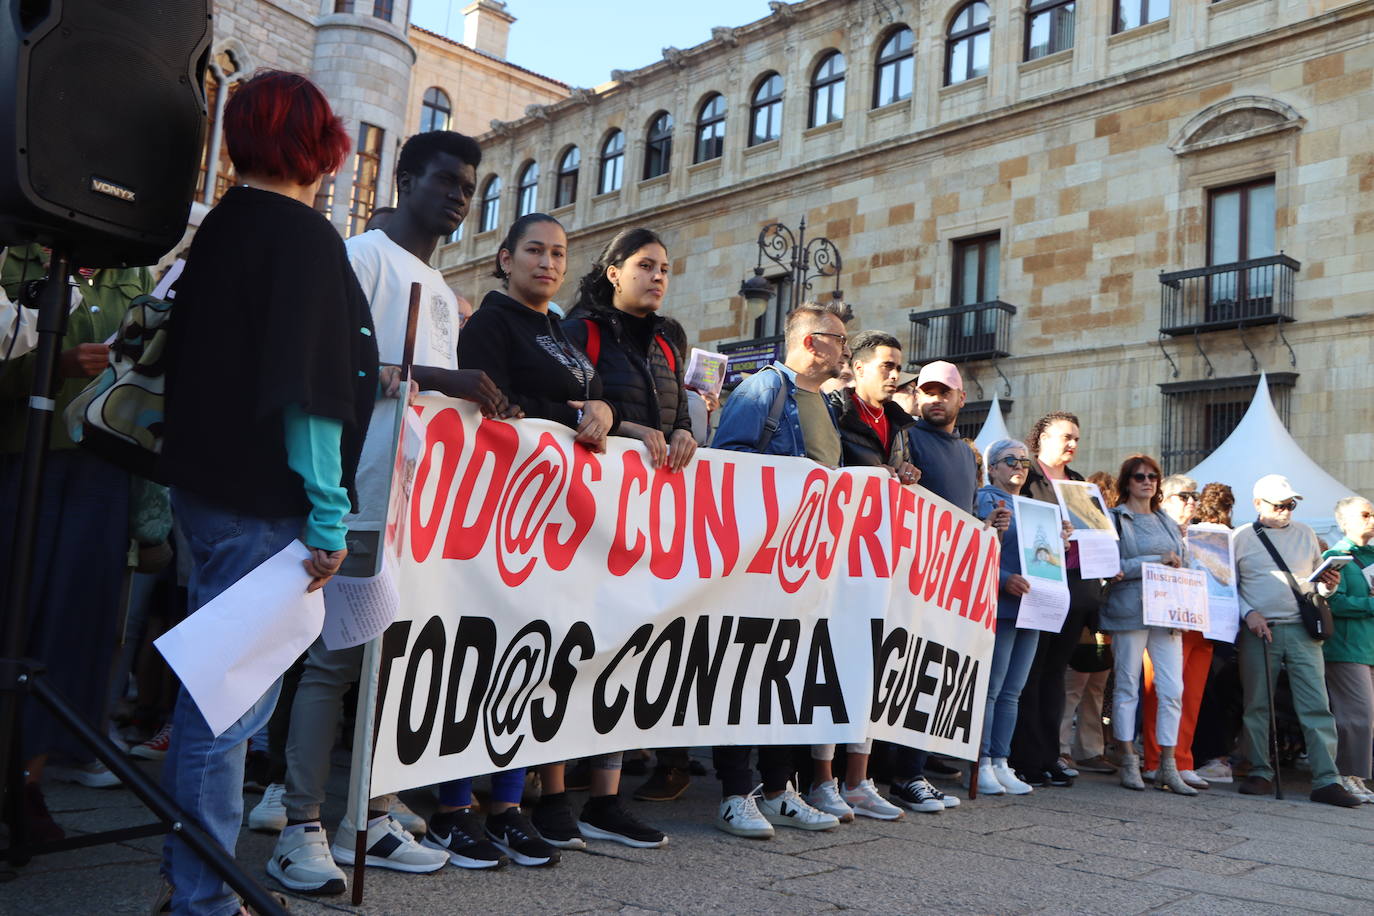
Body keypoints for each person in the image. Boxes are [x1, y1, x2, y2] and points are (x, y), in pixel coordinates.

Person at [268, 129, 537, 896]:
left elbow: (425, 393)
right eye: (447, 180)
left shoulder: (436, 281)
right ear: (405, 177)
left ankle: (371, 812)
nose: (460, 196)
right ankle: (299, 823)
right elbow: (332, 370)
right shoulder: (358, 259)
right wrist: (442, 376)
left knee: (390, 665)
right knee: (335, 662)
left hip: (414, 506)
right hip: (353, 492)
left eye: (471, 187)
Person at [157, 70, 383, 916]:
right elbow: (310, 391)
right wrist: (327, 515)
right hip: (265, 502)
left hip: (207, 490)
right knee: (227, 711)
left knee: (213, 698)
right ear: (315, 140)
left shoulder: (221, 228)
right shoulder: (301, 235)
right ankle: (205, 898)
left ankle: (191, 878)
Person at [458, 213, 647, 853]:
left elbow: (589, 398)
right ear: (504, 259)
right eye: (534, 251)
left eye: (559, 253)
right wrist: (570, 414)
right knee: (484, 658)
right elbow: (492, 409)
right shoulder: (491, 324)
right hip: (501, 516)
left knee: (534, 661)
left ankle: (510, 805)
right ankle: (458, 804)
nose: (548, 262)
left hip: (559, 522)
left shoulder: (553, 329)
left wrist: (606, 410)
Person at [544, 226, 695, 844]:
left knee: (624, 654)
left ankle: (605, 802)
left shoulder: (669, 340)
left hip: (643, 521)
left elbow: (679, 413)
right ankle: (552, 795)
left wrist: (683, 433)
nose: (659, 276)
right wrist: (629, 429)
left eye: (665, 267)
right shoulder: (581, 330)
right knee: (568, 652)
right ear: (613, 272)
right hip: (582, 518)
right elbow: (565, 409)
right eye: (645, 265)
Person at [0, 243, 153, 839]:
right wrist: (49, 366)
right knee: (14, 614)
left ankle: (27, 784)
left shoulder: (131, 268)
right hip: (18, 460)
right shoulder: (12, 257)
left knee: (73, 628)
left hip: (100, 469)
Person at [709, 299, 851, 838]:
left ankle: (778, 789)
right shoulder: (763, 390)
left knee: (786, 678)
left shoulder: (826, 404)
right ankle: (734, 793)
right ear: (812, 341)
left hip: (806, 564)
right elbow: (728, 462)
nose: (845, 348)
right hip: (759, 559)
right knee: (745, 674)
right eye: (838, 338)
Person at [809, 330, 916, 821]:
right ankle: (822, 780)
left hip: (878, 561)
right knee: (832, 667)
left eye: (898, 368)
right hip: (838, 558)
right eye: (886, 366)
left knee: (868, 672)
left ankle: (858, 779)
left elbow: (896, 472)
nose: (894, 376)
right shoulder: (836, 408)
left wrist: (905, 474)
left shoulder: (897, 423)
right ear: (860, 367)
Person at [887, 360, 984, 809]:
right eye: (927, 391)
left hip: (949, 585)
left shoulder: (966, 453)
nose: (934, 399)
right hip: (909, 579)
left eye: (944, 392)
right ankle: (900, 775)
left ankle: (913, 772)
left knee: (932, 678)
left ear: (961, 399)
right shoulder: (904, 438)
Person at [1232, 474, 1360, 807]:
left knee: (1316, 704)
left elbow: (1318, 586)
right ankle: (1259, 770)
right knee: (1257, 703)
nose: (1287, 511)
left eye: (1291, 504)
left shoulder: (1306, 534)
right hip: (1260, 629)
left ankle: (1326, 778)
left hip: (1302, 629)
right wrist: (1249, 614)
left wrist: (1328, 584)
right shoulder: (1240, 537)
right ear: (1258, 504)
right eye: (1280, 505)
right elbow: (1227, 586)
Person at [1009, 411, 1100, 788]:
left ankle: (1049, 755)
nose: (1073, 444)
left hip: (1075, 590)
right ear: (1042, 436)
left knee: (1054, 677)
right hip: (1039, 584)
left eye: (1077, 438)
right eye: (1066, 436)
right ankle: (1025, 758)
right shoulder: (1028, 477)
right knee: (1031, 673)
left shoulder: (1079, 483)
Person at [1101, 455, 1194, 795]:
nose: (1147, 481)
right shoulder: (1115, 519)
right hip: (1129, 608)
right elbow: (1113, 565)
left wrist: (1179, 565)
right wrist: (1156, 562)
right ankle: (1128, 758)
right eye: (1139, 476)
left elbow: (1181, 559)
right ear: (1126, 481)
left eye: (1153, 476)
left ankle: (1167, 765)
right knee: (1127, 686)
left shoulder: (1165, 519)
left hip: (1167, 610)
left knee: (1172, 689)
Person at [973, 439, 1039, 796]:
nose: (1018, 467)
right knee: (992, 689)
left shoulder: (1032, 507)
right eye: (1010, 460)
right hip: (1000, 603)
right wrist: (1002, 579)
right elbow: (973, 546)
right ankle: (981, 760)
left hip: (1031, 606)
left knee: (1012, 691)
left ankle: (1001, 760)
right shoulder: (984, 499)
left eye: (1024, 462)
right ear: (992, 467)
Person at [1140, 475, 1213, 790]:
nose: (1192, 501)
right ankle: (1156, 760)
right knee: (1162, 692)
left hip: (1202, 623)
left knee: (1191, 695)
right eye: (1183, 496)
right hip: (1166, 620)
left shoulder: (1205, 535)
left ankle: (1183, 760)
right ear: (1164, 499)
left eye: (1194, 495)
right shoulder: (1155, 529)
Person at [1320, 496, 1374, 802]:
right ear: (1345, 522)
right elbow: (1333, 602)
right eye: (1364, 515)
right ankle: (1344, 774)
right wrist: (1370, 604)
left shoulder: (1372, 555)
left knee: (1367, 716)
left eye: (1373, 514)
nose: (1371, 519)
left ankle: (1356, 777)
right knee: (1357, 715)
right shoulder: (1337, 555)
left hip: (1368, 646)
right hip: (1346, 646)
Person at [1190, 483, 1242, 784]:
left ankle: (1211, 756)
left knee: (1204, 691)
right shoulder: (1236, 538)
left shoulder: (1195, 536)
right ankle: (1214, 756)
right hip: (1226, 625)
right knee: (1215, 692)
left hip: (1203, 622)